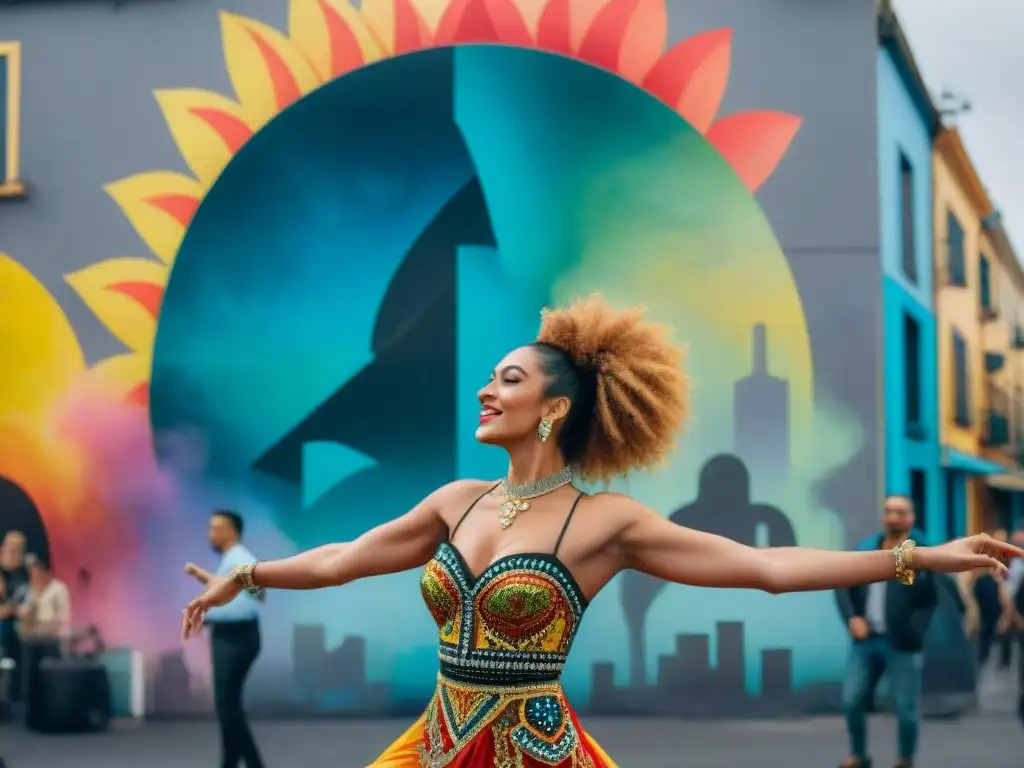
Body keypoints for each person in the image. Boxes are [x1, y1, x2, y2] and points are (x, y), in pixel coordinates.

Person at [180, 295, 1024, 767]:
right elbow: (338, 561)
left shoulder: (606, 523)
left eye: (506, 380)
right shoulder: (456, 501)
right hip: (435, 745)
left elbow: (765, 568)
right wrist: (246, 578)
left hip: (537, 753)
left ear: (551, 408)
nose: (485, 390)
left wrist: (917, 556)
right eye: (487, 377)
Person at [835, 496, 937, 768]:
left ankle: (905, 759)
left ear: (911, 518)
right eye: (889, 511)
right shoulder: (868, 548)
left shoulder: (916, 551)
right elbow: (842, 584)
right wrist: (852, 617)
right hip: (866, 640)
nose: (893, 517)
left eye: (900, 512)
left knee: (905, 709)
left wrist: (914, 631)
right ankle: (859, 755)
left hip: (902, 644)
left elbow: (928, 600)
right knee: (852, 699)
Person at [185, 510, 266, 768]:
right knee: (228, 706)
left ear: (231, 531)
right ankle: (230, 762)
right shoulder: (233, 560)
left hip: (235, 640)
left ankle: (252, 763)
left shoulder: (239, 559)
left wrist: (202, 611)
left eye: (215, 528)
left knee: (228, 707)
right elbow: (253, 594)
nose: (210, 534)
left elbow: (249, 604)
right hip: (235, 639)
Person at [0, 532, 28, 701]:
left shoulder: (25, 574)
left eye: (18, 549)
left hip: (17, 631)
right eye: (10, 548)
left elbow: (27, 607)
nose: (14, 553)